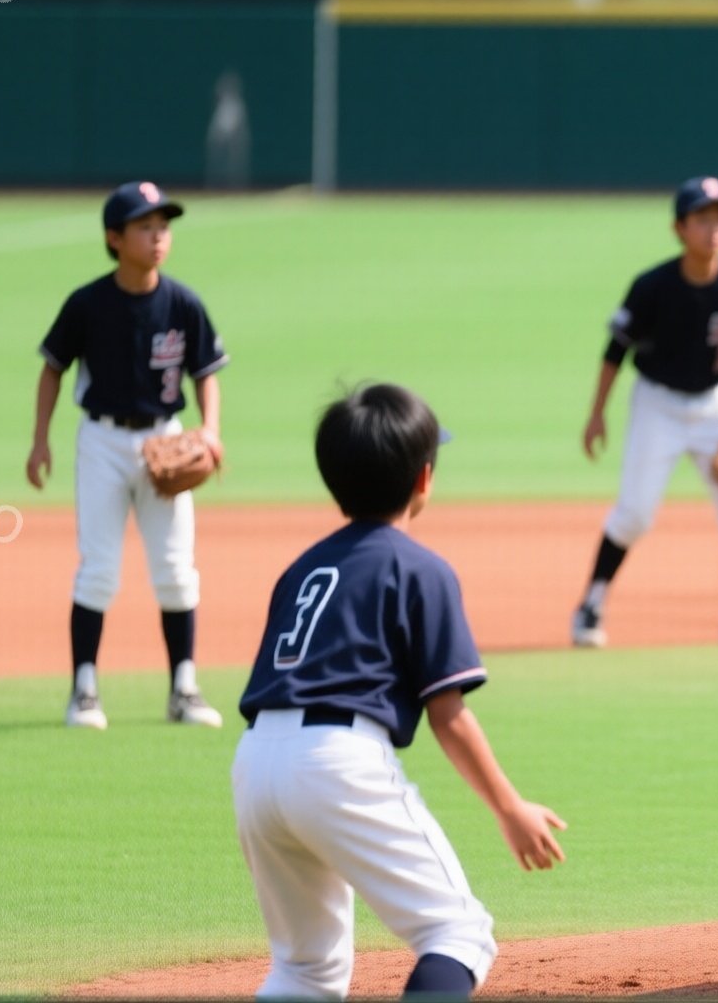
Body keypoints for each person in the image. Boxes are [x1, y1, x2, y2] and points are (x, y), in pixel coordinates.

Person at [233, 383, 567, 999]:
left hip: (256, 763)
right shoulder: (419, 568)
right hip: (335, 762)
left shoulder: (303, 568)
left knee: (304, 970)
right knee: (458, 933)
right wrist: (509, 808)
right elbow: (449, 715)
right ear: (424, 479)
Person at [29, 181, 228, 730]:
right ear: (115, 239)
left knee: (175, 570)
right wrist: (40, 439)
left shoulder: (182, 302)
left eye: (163, 225)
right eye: (145, 226)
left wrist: (209, 431)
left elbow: (207, 373)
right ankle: (84, 690)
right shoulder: (88, 303)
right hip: (103, 443)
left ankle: (184, 688)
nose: (159, 235)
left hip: (165, 437)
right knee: (98, 570)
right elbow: (53, 368)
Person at [572, 177, 718, 647]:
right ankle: (590, 605)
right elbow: (615, 350)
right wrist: (597, 413)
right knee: (634, 515)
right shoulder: (653, 286)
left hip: (714, 403)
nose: (714, 228)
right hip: (657, 404)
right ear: (679, 228)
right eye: (703, 219)